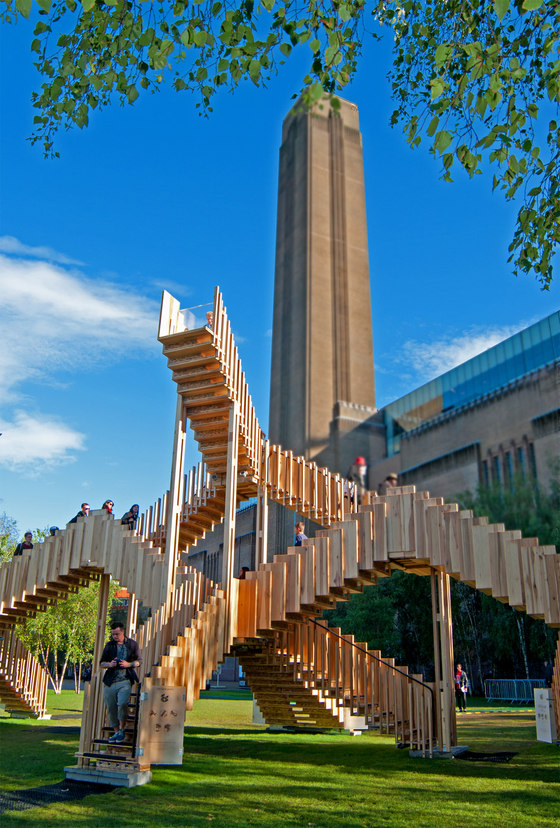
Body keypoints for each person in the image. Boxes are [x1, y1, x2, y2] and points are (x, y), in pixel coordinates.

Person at [99, 621, 141, 743]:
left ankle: (122, 729)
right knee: (111, 707)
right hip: (110, 681)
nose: (115, 636)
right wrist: (109, 664)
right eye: (113, 634)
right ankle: (117, 731)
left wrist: (129, 664)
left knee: (122, 703)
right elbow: (101, 663)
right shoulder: (109, 645)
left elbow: (139, 661)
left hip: (125, 680)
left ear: (122, 632)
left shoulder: (132, 644)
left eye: (117, 634)